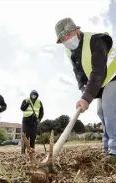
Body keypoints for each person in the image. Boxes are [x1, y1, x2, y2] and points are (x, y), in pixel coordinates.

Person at [55, 18, 116, 162]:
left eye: (68, 35)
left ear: (76, 30)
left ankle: (115, 152)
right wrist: (83, 91)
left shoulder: (95, 41)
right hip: (101, 83)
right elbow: (79, 74)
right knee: (101, 112)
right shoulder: (70, 52)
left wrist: (86, 97)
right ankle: (107, 149)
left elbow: (98, 71)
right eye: (63, 38)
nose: (66, 39)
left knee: (109, 109)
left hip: (112, 76)